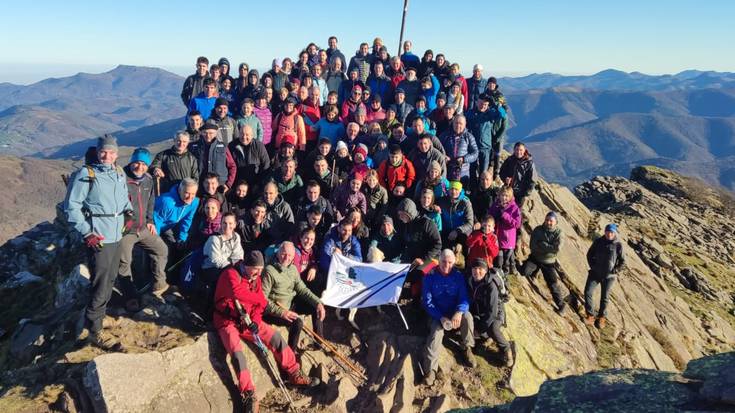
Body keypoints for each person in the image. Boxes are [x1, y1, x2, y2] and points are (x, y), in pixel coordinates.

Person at [214, 251, 316, 412]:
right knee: (236, 352)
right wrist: (260, 299)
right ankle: (249, 393)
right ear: (246, 266)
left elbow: (259, 306)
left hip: (247, 319)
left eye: (261, 269)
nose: (259, 273)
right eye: (256, 269)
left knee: (274, 337)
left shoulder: (256, 279)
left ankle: (294, 372)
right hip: (227, 321)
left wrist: (254, 320)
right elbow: (238, 293)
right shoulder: (230, 274)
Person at [65, 135, 132, 349]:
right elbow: (72, 207)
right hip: (99, 236)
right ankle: (94, 331)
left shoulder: (118, 173)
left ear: (116, 154)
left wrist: (127, 214)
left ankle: (99, 317)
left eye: (111, 152)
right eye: (104, 151)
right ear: (97, 151)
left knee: (111, 278)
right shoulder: (87, 174)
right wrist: (87, 232)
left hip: (116, 234)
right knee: (101, 282)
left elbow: (123, 199)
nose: (107, 156)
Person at [118, 148, 169, 313]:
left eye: (143, 164)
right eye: (137, 163)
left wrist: (150, 221)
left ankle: (158, 284)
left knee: (161, 249)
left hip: (143, 227)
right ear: (131, 162)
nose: (139, 167)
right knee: (124, 262)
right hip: (126, 230)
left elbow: (151, 202)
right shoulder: (121, 179)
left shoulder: (148, 180)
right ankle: (129, 296)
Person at [422, 249, 474, 386]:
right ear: (438, 261)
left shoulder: (458, 276)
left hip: (453, 313)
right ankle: (430, 370)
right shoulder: (429, 276)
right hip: (436, 315)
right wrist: (440, 317)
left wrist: (459, 312)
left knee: (467, 317)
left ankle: (466, 347)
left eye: (450, 262)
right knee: (435, 334)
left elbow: (464, 298)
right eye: (444, 262)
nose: (447, 265)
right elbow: (427, 302)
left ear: (454, 262)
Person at [262, 242, 326, 350]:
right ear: (278, 253)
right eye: (284, 254)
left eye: (290, 255)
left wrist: (318, 302)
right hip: (275, 311)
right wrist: (282, 312)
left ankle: (319, 342)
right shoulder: (269, 271)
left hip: (290, 303)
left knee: (316, 307)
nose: (286, 258)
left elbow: (302, 289)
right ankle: (292, 354)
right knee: (297, 322)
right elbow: (263, 299)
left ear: (293, 257)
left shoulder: (293, 269)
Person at [466, 258, 512, 367]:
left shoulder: (491, 286)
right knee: (471, 321)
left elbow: (492, 312)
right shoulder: (470, 280)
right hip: (480, 310)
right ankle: (487, 338)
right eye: (475, 268)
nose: (477, 271)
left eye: (480, 269)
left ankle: (506, 350)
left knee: (492, 328)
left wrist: (480, 329)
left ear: (486, 270)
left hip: (496, 313)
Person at [522, 212, 567, 313]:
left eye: (551, 221)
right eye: (547, 220)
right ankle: (534, 272)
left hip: (548, 262)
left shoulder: (559, 233)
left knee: (552, 284)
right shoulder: (538, 230)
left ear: (556, 222)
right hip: (535, 257)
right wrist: (548, 248)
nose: (549, 222)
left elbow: (557, 249)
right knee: (524, 272)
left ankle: (561, 304)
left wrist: (542, 245)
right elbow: (533, 246)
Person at [584, 224, 625, 329]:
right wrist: (593, 266)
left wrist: (615, 270)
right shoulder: (598, 241)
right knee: (588, 292)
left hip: (609, 277)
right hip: (595, 273)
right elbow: (589, 254)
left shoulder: (618, 245)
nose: (609, 234)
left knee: (605, 298)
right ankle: (590, 315)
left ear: (615, 233)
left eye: (611, 232)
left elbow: (623, 261)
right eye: (607, 232)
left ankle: (602, 317)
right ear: (605, 232)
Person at [201, 212, 244, 310]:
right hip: (210, 268)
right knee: (220, 281)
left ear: (235, 224)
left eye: (230, 223)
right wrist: (231, 268)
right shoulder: (214, 239)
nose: (227, 226)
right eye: (224, 223)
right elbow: (215, 260)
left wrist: (238, 267)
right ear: (220, 223)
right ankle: (209, 309)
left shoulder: (236, 236)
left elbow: (238, 254)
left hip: (228, 267)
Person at [466, 94, 507, 186]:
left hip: (486, 147)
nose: (482, 106)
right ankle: (473, 190)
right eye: (481, 103)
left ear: (488, 105)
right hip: (473, 147)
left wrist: (495, 104)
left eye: (485, 104)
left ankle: (482, 190)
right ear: (477, 102)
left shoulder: (490, 114)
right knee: (472, 170)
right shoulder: (470, 113)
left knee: (483, 172)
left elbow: (503, 114)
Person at [154, 178, 200, 250]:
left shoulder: (194, 202)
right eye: (187, 193)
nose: (190, 197)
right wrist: (155, 240)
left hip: (168, 226)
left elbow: (187, 220)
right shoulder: (166, 202)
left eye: (193, 194)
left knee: (173, 246)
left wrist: (181, 239)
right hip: (153, 226)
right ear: (179, 190)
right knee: (155, 250)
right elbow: (156, 221)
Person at [188, 123, 237, 191]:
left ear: (216, 133)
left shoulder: (223, 147)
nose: (208, 135)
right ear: (201, 133)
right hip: (199, 186)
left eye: (211, 133)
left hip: (219, 186)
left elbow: (232, 166)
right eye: (205, 133)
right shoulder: (194, 147)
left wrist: (228, 184)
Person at [488, 187, 522, 275]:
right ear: (499, 195)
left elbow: (517, 224)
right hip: (496, 238)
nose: (504, 198)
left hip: (508, 241)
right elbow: (490, 217)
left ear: (510, 197)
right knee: (499, 259)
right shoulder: (495, 205)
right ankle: (497, 275)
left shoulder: (514, 208)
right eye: (502, 195)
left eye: (506, 196)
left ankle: (505, 277)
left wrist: (505, 215)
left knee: (506, 262)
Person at [228, 124, 270, 192]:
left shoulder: (258, 145)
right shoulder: (232, 146)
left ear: (252, 135)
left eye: (247, 134)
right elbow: (229, 165)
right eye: (242, 134)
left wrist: (259, 183)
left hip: (255, 182)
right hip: (238, 184)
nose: (244, 137)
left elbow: (266, 164)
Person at [441, 115, 478, 186]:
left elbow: (475, 153)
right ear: (453, 123)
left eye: (460, 123)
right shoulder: (445, 135)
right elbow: (438, 149)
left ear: (465, 124)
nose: (458, 125)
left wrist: (464, 159)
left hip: (463, 172)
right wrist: (443, 156)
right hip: (447, 170)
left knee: (462, 193)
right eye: (456, 123)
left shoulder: (469, 136)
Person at [499, 142, 535, 209]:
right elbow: (501, 172)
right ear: (514, 150)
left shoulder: (529, 163)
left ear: (524, 150)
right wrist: (505, 178)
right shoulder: (510, 160)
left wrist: (526, 193)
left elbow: (532, 180)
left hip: (520, 193)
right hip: (508, 190)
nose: (518, 152)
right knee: (504, 209)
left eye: (521, 150)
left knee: (516, 212)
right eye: (517, 149)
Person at [437, 181, 474, 246]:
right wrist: (434, 207)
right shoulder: (442, 201)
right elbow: (431, 204)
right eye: (451, 189)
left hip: (461, 232)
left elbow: (470, 223)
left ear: (460, 190)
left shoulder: (465, 202)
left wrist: (457, 231)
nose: (453, 192)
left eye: (456, 189)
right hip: (446, 232)